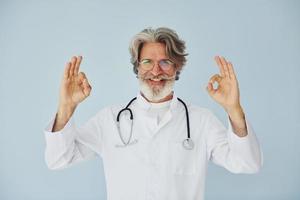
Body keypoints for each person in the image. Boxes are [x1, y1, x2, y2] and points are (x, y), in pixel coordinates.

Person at [44, 27, 263, 200]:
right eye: (147, 62)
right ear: (137, 67)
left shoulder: (201, 121)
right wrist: (66, 109)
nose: (156, 71)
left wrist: (234, 110)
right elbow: (58, 159)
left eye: (165, 62)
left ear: (177, 68)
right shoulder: (110, 119)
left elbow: (248, 163)